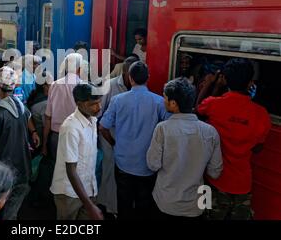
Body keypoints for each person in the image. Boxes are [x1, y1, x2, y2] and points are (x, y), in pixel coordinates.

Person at [196, 58, 271, 220]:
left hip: (213, 180)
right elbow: (258, 149)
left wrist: (211, 83)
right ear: (251, 82)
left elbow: (199, 108)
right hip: (243, 183)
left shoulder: (214, 105)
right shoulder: (261, 114)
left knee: (206, 214)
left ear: (225, 79)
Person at [99, 61, 170, 220]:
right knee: (143, 205)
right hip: (147, 165)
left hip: (123, 163)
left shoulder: (118, 100)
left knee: (124, 203)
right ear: (148, 78)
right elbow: (170, 126)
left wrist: (113, 143)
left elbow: (103, 127)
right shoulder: (159, 102)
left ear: (130, 78)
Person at [146, 78, 223, 219]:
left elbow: (153, 165)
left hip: (165, 202)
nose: (163, 101)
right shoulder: (210, 132)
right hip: (196, 205)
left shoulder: (163, 128)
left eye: (165, 98)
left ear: (173, 103)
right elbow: (215, 172)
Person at [0, 66, 39, 220]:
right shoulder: (21, 107)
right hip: (23, 171)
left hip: (3, 174)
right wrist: (34, 133)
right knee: (11, 214)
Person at [49, 83, 103, 220]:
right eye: (93, 104)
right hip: (69, 194)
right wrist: (90, 206)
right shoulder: (71, 128)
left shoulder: (93, 121)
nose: (99, 107)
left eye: (99, 102)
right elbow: (71, 171)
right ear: (79, 104)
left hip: (88, 189)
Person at [97, 55, 139, 217]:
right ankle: (109, 207)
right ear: (125, 73)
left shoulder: (138, 86)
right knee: (109, 171)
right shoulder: (110, 86)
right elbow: (99, 112)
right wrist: (109, 140)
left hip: (129, 140)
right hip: (110, 137)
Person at [42, 53, 84, 159]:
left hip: (56, 136)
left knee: (56, 171)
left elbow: (48, 117)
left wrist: (44, 144)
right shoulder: (84, 87)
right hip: (76, 137)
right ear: (80, 69)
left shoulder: (54, 85)